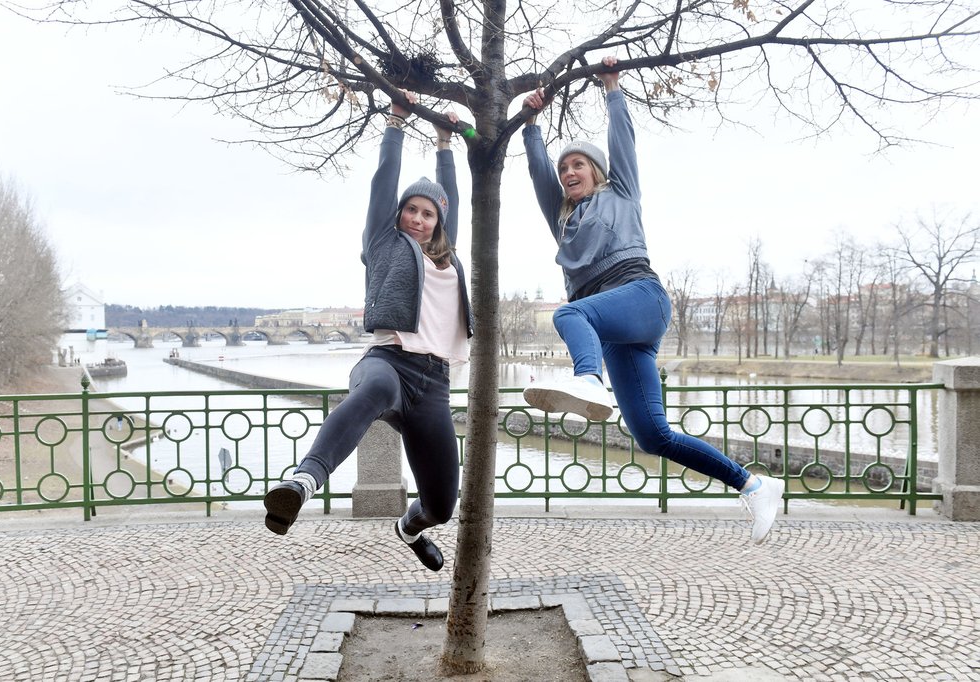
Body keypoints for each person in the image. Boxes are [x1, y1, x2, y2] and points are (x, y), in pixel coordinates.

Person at [520, 56, 784, 544]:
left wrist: (612, 88)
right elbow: (538, 174)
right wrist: (531, 124)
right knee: (650, 435)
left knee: (569, 313)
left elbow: (624, 144)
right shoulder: (562, 218)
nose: (569, 172)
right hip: (615, 331)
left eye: (578, 164)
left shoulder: (621, 193)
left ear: (598, 172)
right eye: (564, 168)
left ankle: (586, 379)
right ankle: (755, 484)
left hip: (640, 295)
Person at [264, 91, 472, 571]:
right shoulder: (384, 242)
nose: (418, 219)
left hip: (435, 384)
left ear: (438, 221)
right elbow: (384, 183)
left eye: (428, 213)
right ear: (398, 214)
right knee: (374, 388)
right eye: (411, 210)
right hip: (389, 361)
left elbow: (453, 198)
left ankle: (409, 527)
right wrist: (396, 121)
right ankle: (302, 482)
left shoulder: (446, 252)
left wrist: (445, 144)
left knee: (442, 505)